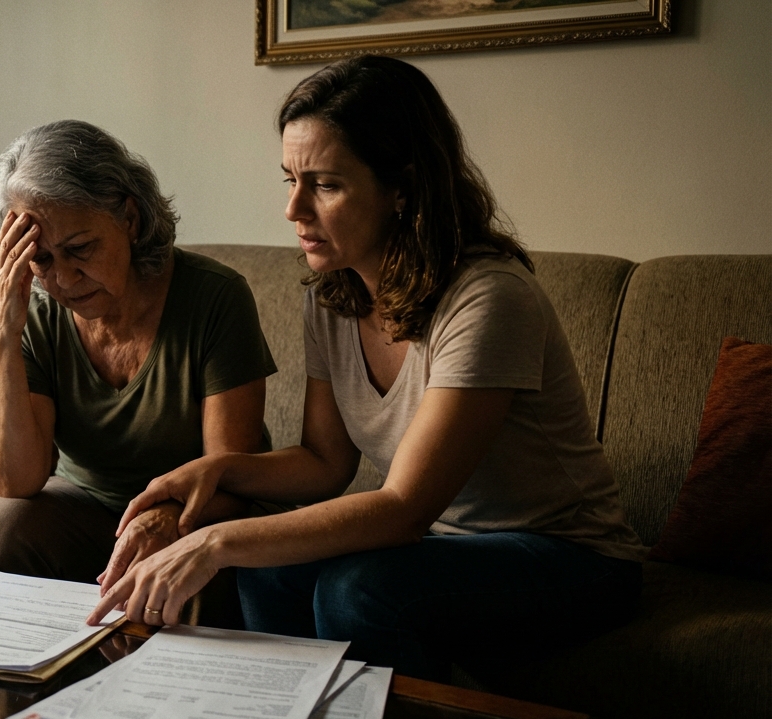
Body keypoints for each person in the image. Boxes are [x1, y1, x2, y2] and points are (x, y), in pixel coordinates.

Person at [87, 56, 646, 682]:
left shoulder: (489, 298)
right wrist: (218, 470)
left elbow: (404, 507)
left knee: (358, 591)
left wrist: (216, 541)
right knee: (266, 571)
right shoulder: (333, 298)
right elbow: (326, 462)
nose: (294, 209)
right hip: (441, 543)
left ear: (401, 188)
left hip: (571, 555)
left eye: (325, 185)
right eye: (290, 180)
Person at [0, 119, 277, 585]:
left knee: (192, 560)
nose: (64, 279)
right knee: (1, 527)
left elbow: (231, 476)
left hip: (202, 509)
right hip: (89, 508)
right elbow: (14, 482)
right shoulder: (35, 313)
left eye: (80, 248)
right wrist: (4, 332)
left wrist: (165, 518)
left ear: (130, 220)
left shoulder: (215, 298)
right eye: (42, 259)